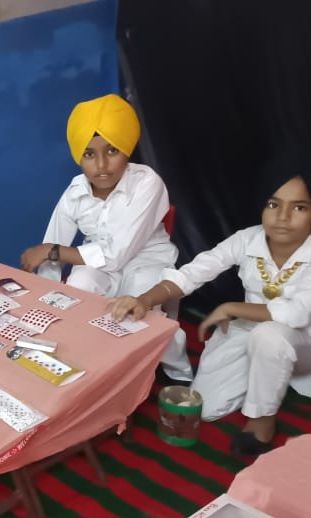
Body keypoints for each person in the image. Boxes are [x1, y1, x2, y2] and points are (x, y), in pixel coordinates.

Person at [107, 153, 311, 456]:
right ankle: (265, 375)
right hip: (249, 330)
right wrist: (143, 300)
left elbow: (299, 312)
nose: (283, 217)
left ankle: (262, 422)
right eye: (274, 205)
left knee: (270, 337)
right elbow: (194, 272)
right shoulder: (248, 239)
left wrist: (231, 308)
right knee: (204, 407)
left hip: (307, 341)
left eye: (299, 207)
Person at [21, 94, 193, 382]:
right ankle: (99, 363)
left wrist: (54, 251)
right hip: (97, 263)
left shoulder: (147, 182)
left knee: (142, 311)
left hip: (146, 261)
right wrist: (47, 304)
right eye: (89, 154)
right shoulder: (75, 192)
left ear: (127, 148)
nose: (101, 165)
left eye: (112, 150)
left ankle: (179, 374)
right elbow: (52, 246)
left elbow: (113, 255)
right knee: (77, 288)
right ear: (79, 156)